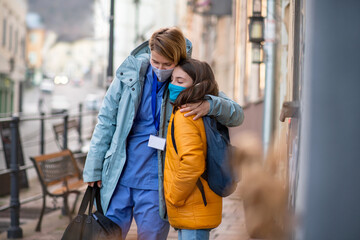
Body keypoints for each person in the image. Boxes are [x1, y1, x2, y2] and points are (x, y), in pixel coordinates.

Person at [82, 27, 244, 240]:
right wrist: (93, 168)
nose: (160, 69)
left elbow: (237, 114)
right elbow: (106, 122)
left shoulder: (187, 77)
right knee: (106, 235)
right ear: (149, 53)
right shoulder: (128, 75)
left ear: (178, 59)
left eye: (167, 65)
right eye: (155, 62)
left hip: (157, 181)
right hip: (118, 175)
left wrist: (210, 105)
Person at [164, 58, 223, 240]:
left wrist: (174, 197)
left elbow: (192, 162)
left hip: (192, 204)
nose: (173, 85)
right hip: (199, 202)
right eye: (172, 79)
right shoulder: (202, 111)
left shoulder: (185, 115)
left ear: (196, 86)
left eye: (180, 82)